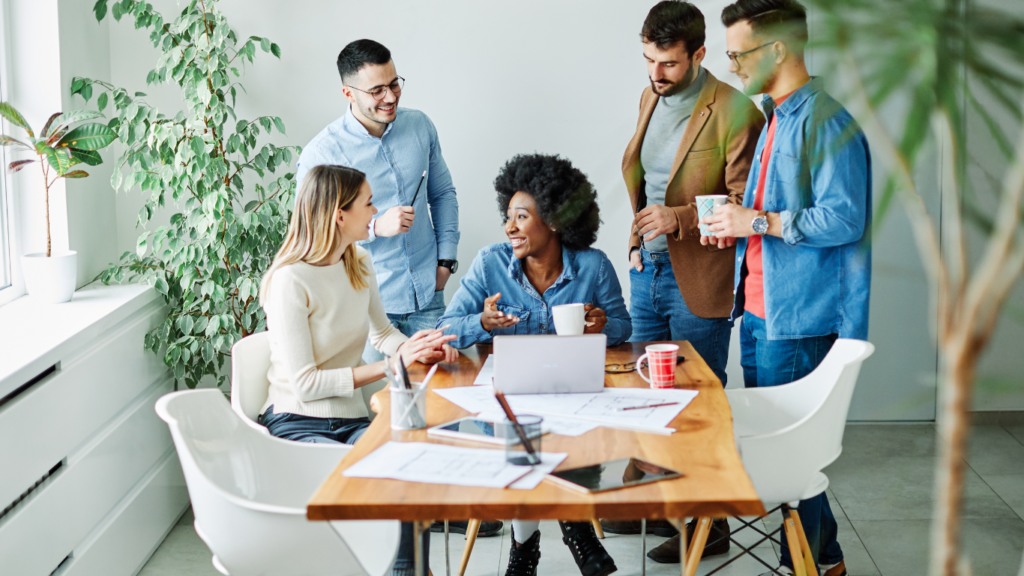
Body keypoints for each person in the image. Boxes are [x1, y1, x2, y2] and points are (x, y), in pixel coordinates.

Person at [294, 39, 491, 539]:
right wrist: (377, 225)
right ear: (348, 92)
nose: (390, 96)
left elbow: (443, 192)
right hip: (362, 300)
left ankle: (442, 505)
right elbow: (312, 228)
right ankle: (392, 515)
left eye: (395, 83)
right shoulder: (323, 152)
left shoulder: (419, 126)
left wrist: (446, 259)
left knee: (443, 395)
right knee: (380, 413)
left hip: (427, 290)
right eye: (377, 89)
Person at [704, 2, 872, 575]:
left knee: (795, 456)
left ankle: (814, 562)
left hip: (799, 320)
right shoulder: (777, 116)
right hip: (759, 314)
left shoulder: (827, 121)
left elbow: (844, 218)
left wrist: (754, 221)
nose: (731, 67)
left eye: (738, 54)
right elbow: (772, 215)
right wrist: (739, 226)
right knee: (785, 453)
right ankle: (817, 557)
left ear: (777, 49)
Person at [610, 0, 764, 562]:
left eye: (669, 63)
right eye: (649, 60)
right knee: (645, 393)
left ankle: (710, 523)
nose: (655, 73)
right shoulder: (650, 96)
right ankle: (653, 500)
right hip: (647, 270)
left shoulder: (736, 110)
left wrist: (681, 219)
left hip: (699, 276)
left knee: (696, 401)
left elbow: (747, 202)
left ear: (699, 55)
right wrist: (635, 241)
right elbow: (646, 178)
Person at [257, 165, 458, 576]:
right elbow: (306, 384)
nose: (375, 210)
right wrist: (389, 367)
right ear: (338, 215)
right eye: (368, 202)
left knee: (405, 460)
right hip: (296, 421)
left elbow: (383, 332)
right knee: (364, 473)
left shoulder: (358, 260)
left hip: (348, 416)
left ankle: (405, 571)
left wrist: (418, 348)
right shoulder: (288, 281)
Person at [439, 153, 630, 576]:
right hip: (511, 402)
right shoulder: (491, 264)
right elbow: (446, 326)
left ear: (556, 220)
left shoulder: (593, 267)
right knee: (525, 433)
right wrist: (481, 322)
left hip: (571, 396)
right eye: (508, 216)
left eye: (521, 217)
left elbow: (623, 326)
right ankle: (575, 529)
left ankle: (524, 553)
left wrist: (603, 324)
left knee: (556, 432)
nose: (509, 227)